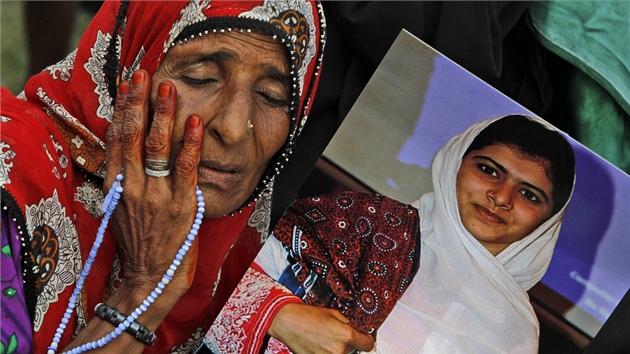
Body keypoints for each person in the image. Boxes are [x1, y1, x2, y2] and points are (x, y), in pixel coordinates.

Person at [0, 0, 325, 353]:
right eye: (200, 78)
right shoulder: (13, 186)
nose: (233, 128)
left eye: (271, 96)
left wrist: (265, 310)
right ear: (131, 65)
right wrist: (145, 286)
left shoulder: (237, 239)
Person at [205, 114, 576, 353]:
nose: (501, 197)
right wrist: (278, 316)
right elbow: (206, 274)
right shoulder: (359, 222)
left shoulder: (516, 336)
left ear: (548, 220)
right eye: (489, 170)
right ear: (455, 163)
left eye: (529, 194)